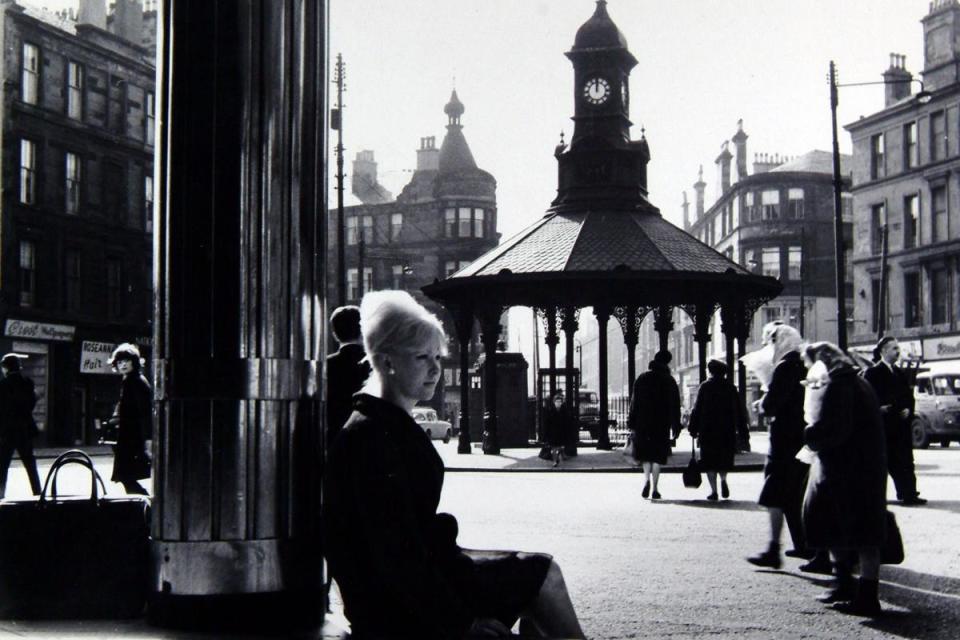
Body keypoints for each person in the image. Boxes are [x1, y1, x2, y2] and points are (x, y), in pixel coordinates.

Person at [323, 290, 585, 639]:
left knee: (535, 574)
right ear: (387, 363)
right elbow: (397, 556)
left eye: (437, 356)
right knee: (543, 574)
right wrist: (461, 623)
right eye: (422, 358)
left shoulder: (378, 421)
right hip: (398, 607)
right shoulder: (373, 436)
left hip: (415, 582)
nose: (436, 369)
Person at [802, 342, 888, 616]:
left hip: (847, 471)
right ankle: (851, 587)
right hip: (865, 469)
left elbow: (836, 429)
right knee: (858, 530)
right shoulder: (859, 382)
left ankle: (862, 595)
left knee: (853, 530)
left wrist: (810, 435)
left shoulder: (840, 386)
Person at [747, 324, 810, 569]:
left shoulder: (784, 367)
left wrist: (762, 404)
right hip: (800, 439)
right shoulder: (803, 364)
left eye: (768, 342)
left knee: (774, 494)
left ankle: (774, 549)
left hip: (783, 440)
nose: (767, 348)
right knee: (793, 495)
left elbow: (773, 404)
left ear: (778, 341)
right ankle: (805, 545)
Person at [863, 336, 925, 505]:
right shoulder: (872, 373)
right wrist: (878, 409)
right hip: (884, 427)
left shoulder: (899, 373)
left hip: (900, 427)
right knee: (881, 464)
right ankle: (875, 497)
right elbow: (866, 399)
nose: (898, 352)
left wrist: (908, 409)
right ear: (883, 351)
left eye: (898, 348)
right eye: (894, 349)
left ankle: (909, 493)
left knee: (905, 461)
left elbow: (908, 397)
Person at [688, 359, 748, 500]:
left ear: (710, 371)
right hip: (726, 430)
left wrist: (693, 428)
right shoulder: (730, 387)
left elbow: (697, 409)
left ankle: (714, 491)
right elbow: (739, 410)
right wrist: (743, 430)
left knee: (709, 461)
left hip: (707, 430)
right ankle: (723, 480)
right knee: (723, 458)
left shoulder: (705, 387)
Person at [628, 350, 681, 500]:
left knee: (645, 456)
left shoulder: (642, 378)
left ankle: (646, 480)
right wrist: (675, 425)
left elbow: (634, 403)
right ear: (667, 363)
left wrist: (631, 422)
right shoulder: (669, 381)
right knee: (657, 456)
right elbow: (675, 405)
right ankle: (656, 488)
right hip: (661, 423)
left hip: (643, 423)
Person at [108, 343, 151, 496]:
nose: (123, 365)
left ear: (134, 361)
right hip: (130, 437)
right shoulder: (132, 380)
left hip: (133, 438)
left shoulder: (134, 381)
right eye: (119, 362)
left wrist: (147, 439)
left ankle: (145, 505)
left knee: (126, 476)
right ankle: (142, 504)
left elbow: (144, 412)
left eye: (126, 361)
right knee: (126, 477)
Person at [325, 305, 370, 446]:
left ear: (334, 334)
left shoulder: (325, 366)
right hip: (368, 444)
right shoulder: (376, 365)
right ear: (363, 330)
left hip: (333, 441)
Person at [0, 354, 41, 498]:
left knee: (2, 464)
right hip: (24, 428)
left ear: (6, 368)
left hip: (8, 430)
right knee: (30, 463)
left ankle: (0, 493)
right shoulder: (27, 382)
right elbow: (32, 401)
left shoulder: (3, 385)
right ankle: (37, 492)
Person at [543, 392, 573, 468]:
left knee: (560, 447)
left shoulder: (564, 411)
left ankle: (561, 455)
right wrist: (546, 434)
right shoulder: (550, 411)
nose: (558, 403)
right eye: (557, 402)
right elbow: (547, 423)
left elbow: (567, 423)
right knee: (554, 448)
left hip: (561, 433)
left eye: (560, 402)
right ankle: (555, 461)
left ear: (562, 403)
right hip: (553, 433)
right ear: (554, 402)